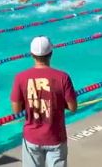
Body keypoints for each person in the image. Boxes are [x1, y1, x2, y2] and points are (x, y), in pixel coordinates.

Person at [11, 36, 77, 167]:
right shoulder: (63, 77)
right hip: (56, 137)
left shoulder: (20, 78)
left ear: (32, 55)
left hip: (32, 137)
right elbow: (73, 107)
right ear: (51, 54)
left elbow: (16, 109)